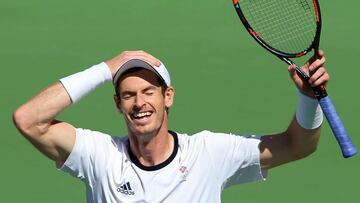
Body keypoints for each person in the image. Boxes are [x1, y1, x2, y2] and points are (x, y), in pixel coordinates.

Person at [13, 50, 328, 203]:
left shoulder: (209, 154)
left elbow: (297, 145)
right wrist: (106, 68)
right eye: (128, 95)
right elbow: (29, 119)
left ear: (168, 97)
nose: (139, 103)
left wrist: (308, 98)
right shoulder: (99, 156)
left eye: (149, 92)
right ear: (118, 105)